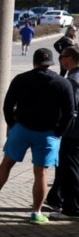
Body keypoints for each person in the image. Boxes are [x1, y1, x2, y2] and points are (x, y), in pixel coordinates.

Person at [0, 48, 75, 224]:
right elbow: (69, 113)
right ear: (51, 64)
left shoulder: (20, 79)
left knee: (6, 163)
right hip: (48, 133)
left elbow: (7, 105)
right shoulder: (63, 84)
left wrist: (13, 125)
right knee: (41, 173)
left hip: (22, 129)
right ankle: (36, 212)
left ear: (34, 62)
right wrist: (59, 133)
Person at [48, 46, 79, 217]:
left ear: (69, 59)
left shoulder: (74, 79)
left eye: (62, 57)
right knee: (66, 168)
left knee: (70, 170)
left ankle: (72, 208)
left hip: (72, 132)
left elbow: (71, 109)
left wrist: (60, 128)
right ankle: (55, 198)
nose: (60, 60)